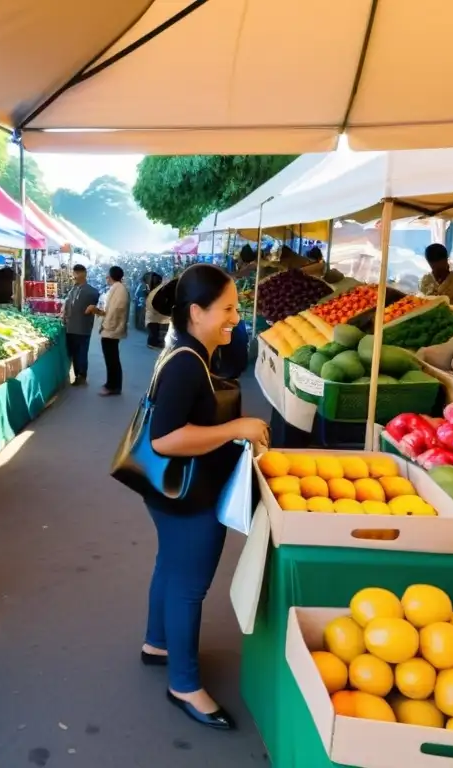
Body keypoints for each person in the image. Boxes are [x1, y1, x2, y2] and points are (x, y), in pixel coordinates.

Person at [140, 264, 268, 730]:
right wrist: (237, 428)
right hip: (187, 496)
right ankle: (185, 683)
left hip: (173, 491)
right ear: (197, 312)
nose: (237, 317)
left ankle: (157, 643)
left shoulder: (188, 354)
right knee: (188, 586)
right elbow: (163, 439)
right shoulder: (186, 363)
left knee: (170, 569)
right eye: (228, 308)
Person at [88, 266, 129, 396]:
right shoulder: (116, 289)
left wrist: (106, 326)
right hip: (111, 328)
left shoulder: (119, 290)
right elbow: (111, 310)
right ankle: (112, 384)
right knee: (112, 358)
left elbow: (115, 312)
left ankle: (112, 386)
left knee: (112, 359)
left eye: (107, 275)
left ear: (111, 276)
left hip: (112, 330)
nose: (106, 277)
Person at [62, 264, 100, 385]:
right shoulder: (73, 290)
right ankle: (77, 374)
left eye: (77, 273)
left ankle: (82, 376)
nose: (75, 276)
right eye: (74, 273)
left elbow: (95, 307)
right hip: (70, 327)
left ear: (84, 274)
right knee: (73, 353)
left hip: (83, 328)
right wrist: (63, 314)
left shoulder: (93, 292)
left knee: (82, 352)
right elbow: (68, 304)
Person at [145, 273, 170, 349]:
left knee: (154, 330)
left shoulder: (154, 290)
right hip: (153, 315)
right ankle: (152, 343)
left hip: (153, 315)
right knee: (154, 330)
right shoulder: (158, 291)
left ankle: (153, 343)